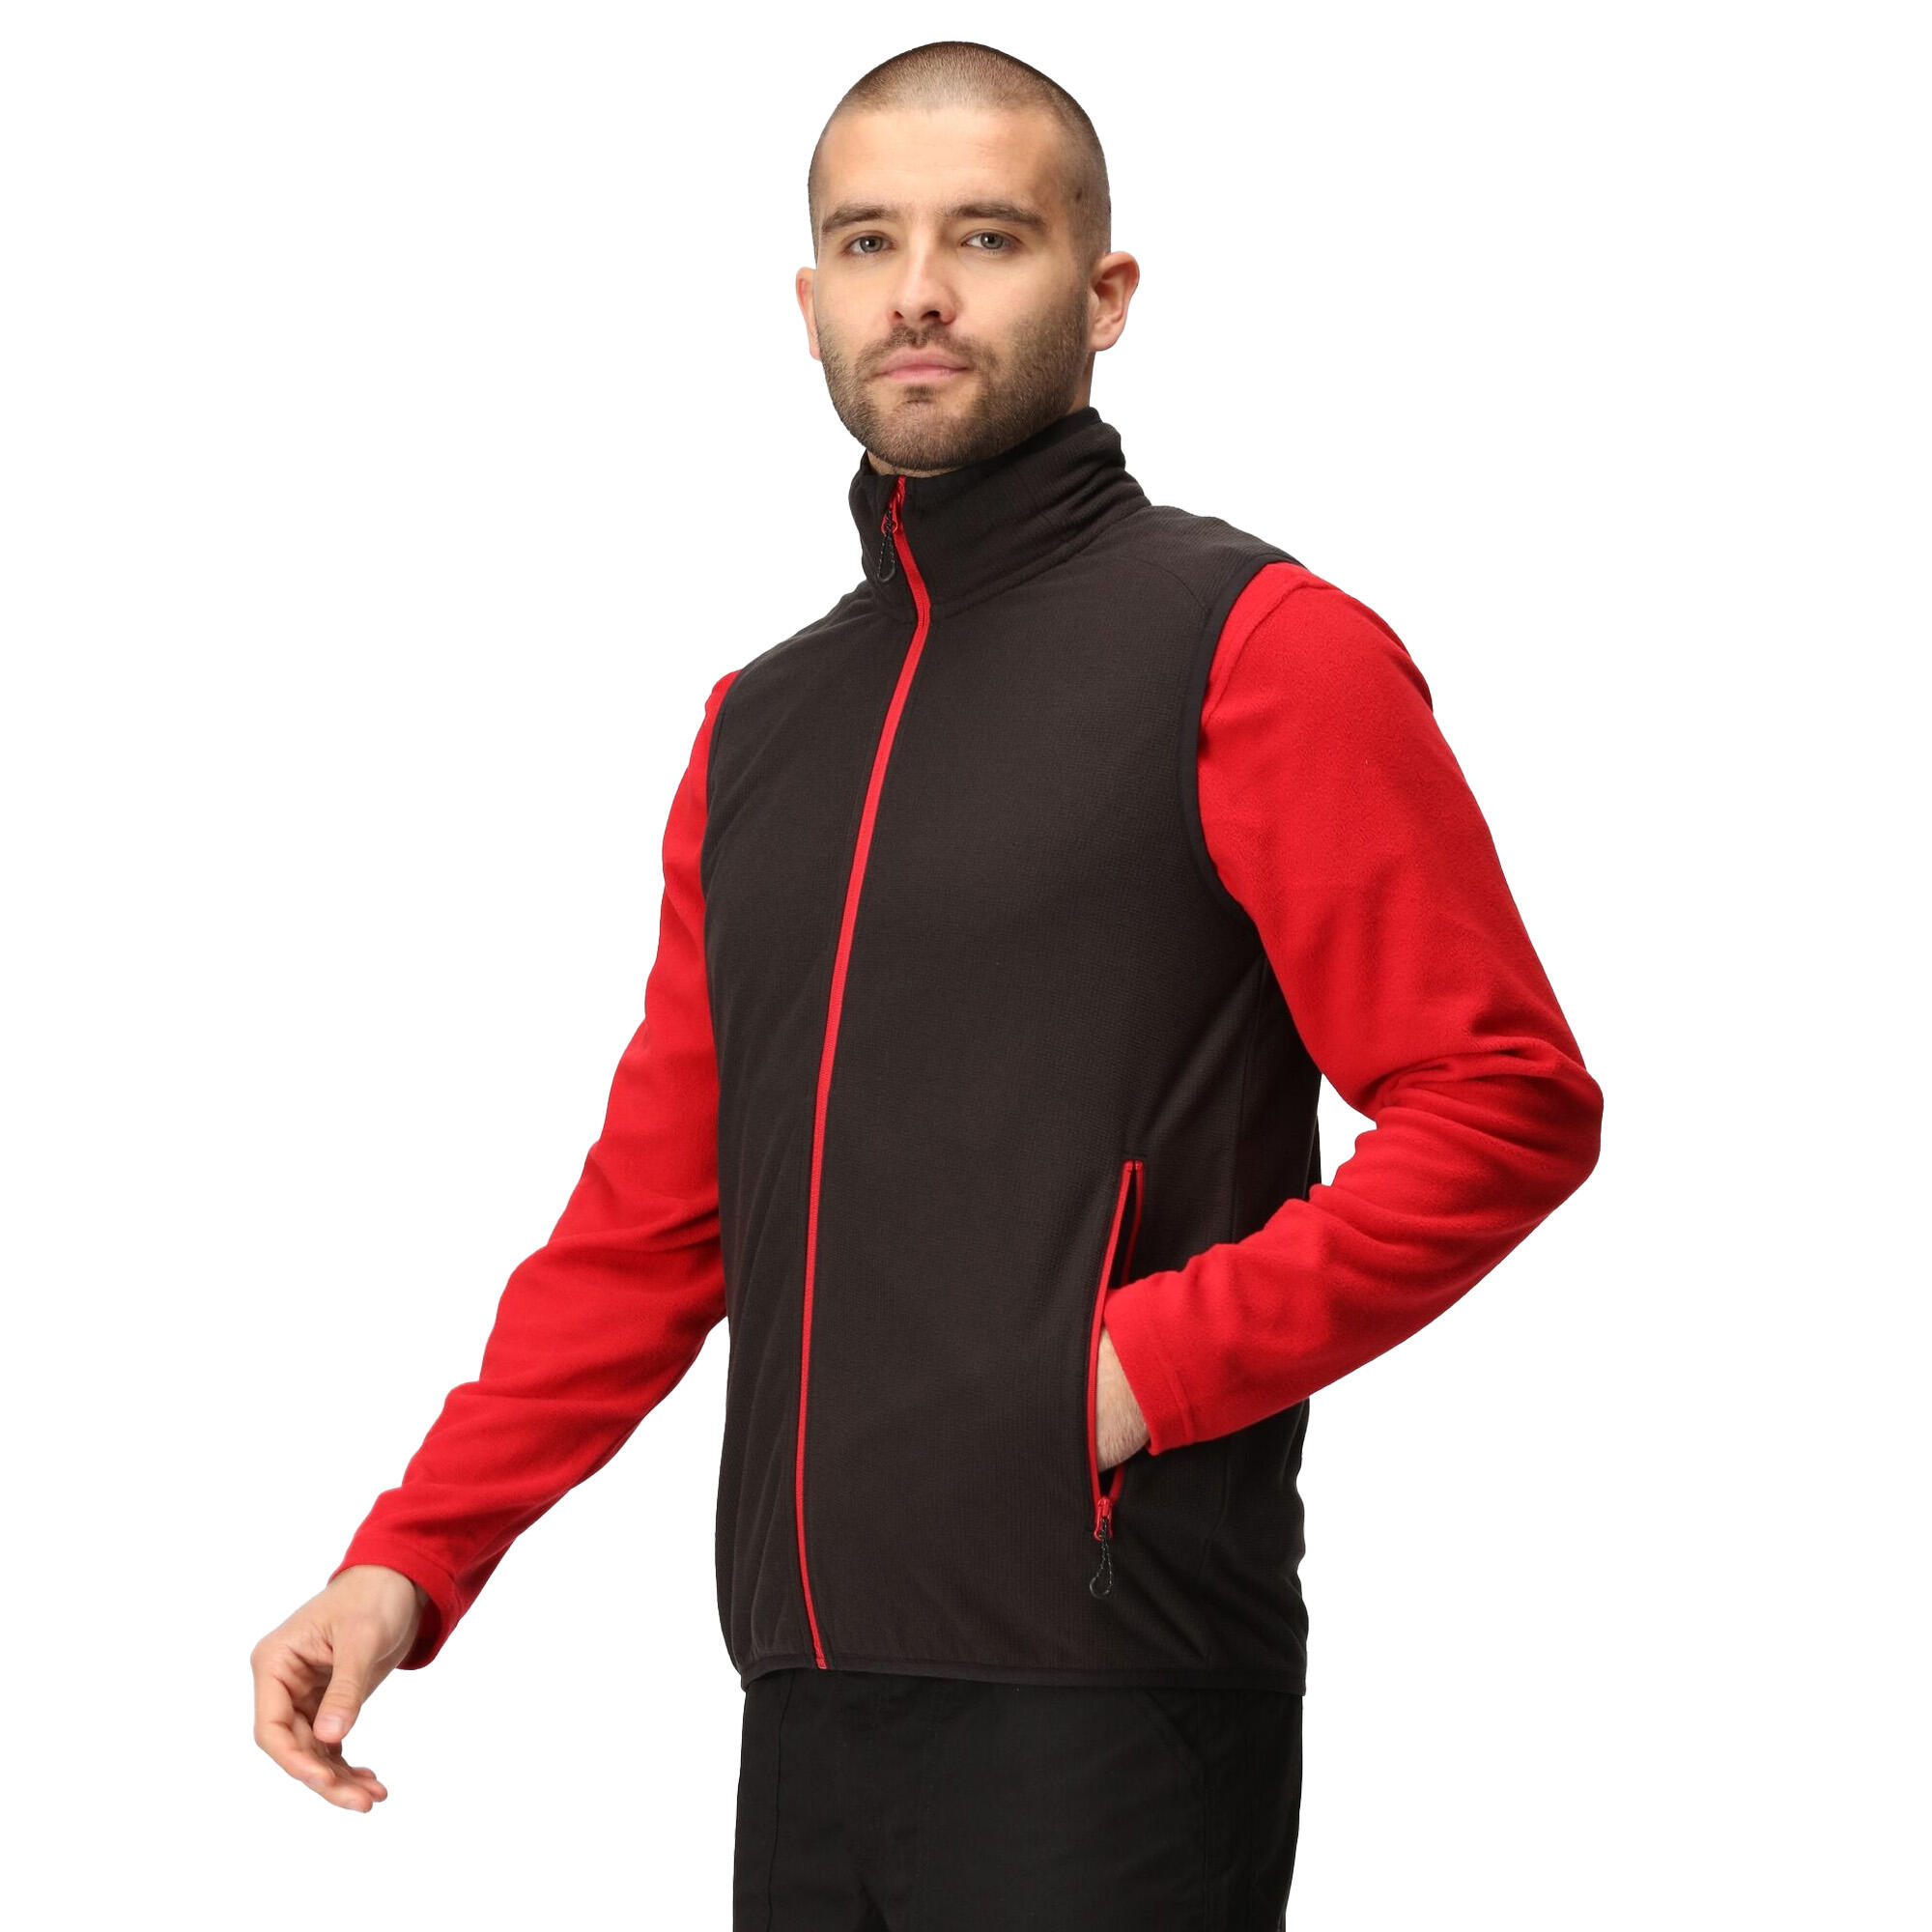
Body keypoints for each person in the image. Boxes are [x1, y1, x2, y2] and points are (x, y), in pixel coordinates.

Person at [250, 40, 1604, 1929]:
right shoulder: (760, 729)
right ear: (808, 297)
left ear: (1104, 294)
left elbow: (1504, 1102)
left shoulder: (1256, 646)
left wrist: (1135, 1374)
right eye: (868, 240)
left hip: (1110, 1695)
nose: (919, 291)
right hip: (807, 1696)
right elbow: (654, 1222)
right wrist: (411, 1557)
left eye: (987, 236)